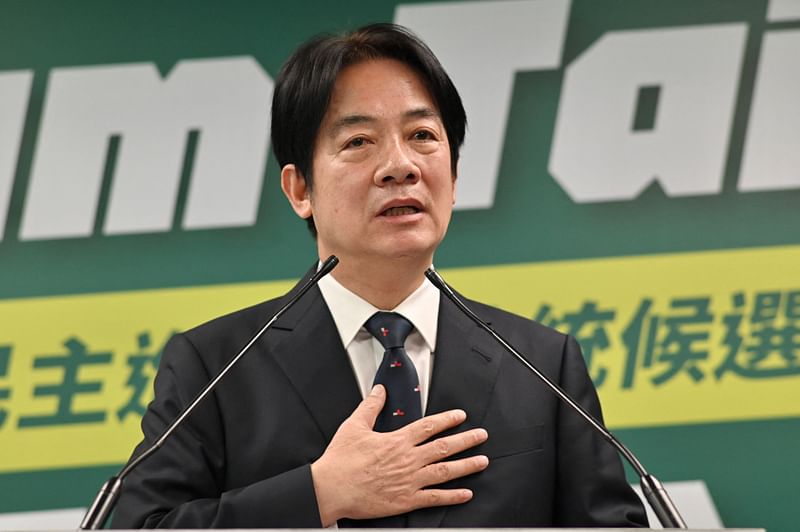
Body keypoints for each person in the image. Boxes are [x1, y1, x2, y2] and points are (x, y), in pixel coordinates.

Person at [111, 23, 648, 528]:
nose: (400, 165)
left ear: (454, 177)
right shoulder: (216, 367)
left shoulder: (541, 365)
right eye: (358, 142)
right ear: (301, 191)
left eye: (421, 135)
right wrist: (320, 493)